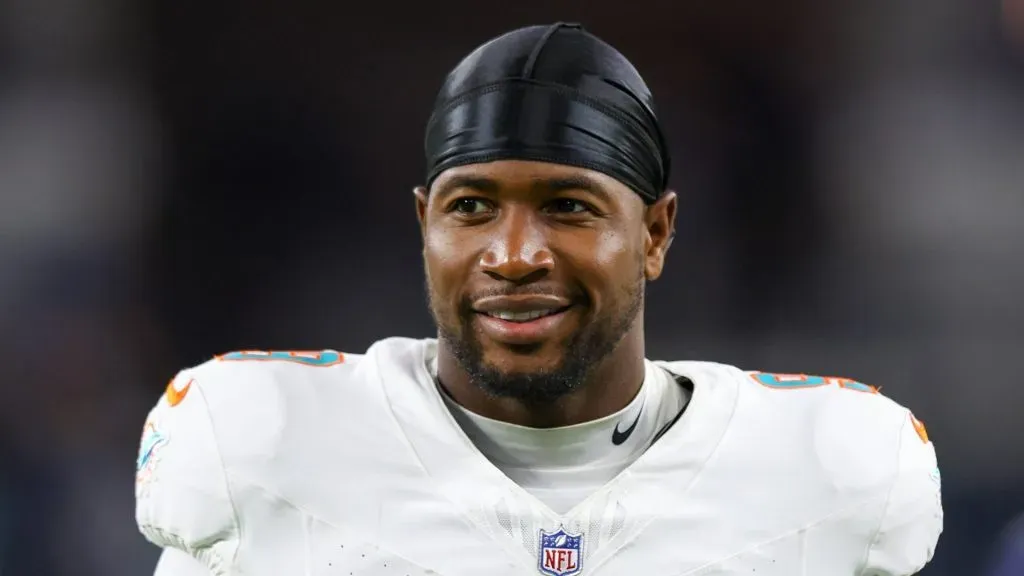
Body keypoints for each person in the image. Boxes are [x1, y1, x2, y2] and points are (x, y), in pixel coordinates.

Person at [135, 23, 943, 576]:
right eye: (472, 207)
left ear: (656, 233)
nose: (514, 256)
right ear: (425, 223)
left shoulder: (835, 470)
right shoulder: (257, 443)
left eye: (569, 207)